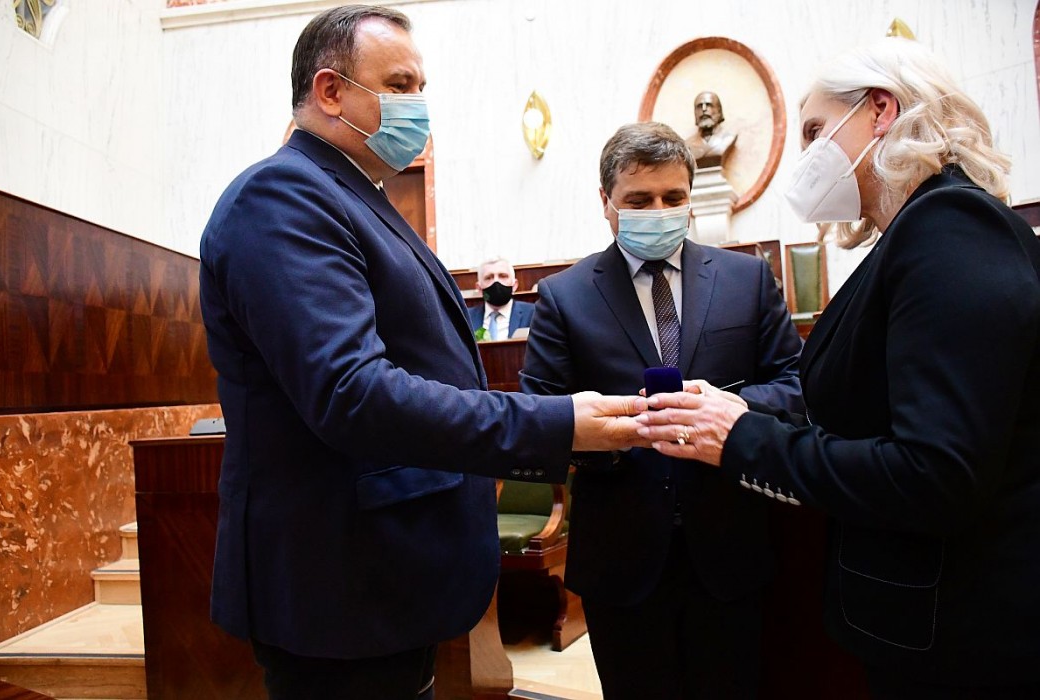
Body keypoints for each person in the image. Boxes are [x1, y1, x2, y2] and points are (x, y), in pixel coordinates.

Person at [198, 6, 647, 699]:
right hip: (340, 586)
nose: (419, 105)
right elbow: (352, 393)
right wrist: (555, 423)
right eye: (400, 85)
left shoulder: (353, 194)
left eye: (420, 86)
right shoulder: (283, 196)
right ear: (330, 91)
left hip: (384, 577)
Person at [636, 38, 1040, 699]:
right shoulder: (915, 233)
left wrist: (742, 439)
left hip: (962, 636)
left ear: (880, 111)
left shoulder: (952, 227)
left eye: (815, 131)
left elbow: (934, 475)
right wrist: (739, 408)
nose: (807, 158)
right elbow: (862, 407)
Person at [520, 121, 804, 699]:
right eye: (639, 200)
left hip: (730, 547)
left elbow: (797, 388)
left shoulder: (747, 279)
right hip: (620, 557)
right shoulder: (563, 296)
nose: (659, 211)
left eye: (673, 198)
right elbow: (539, 417)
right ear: (606, 202)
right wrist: (613, 434)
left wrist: (728, 409)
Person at [468, 257, 534, 340]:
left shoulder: (533, 313)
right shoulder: (466, 317)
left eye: (503, 276)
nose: (496, 282)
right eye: (489, 278)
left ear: (514, 285)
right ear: (479, 288)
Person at [684, 91, 738, 169]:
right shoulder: (687, 144)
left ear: (719, 110)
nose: (704, 109)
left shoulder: (729, 138)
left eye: (708, 105)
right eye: (699, 106)